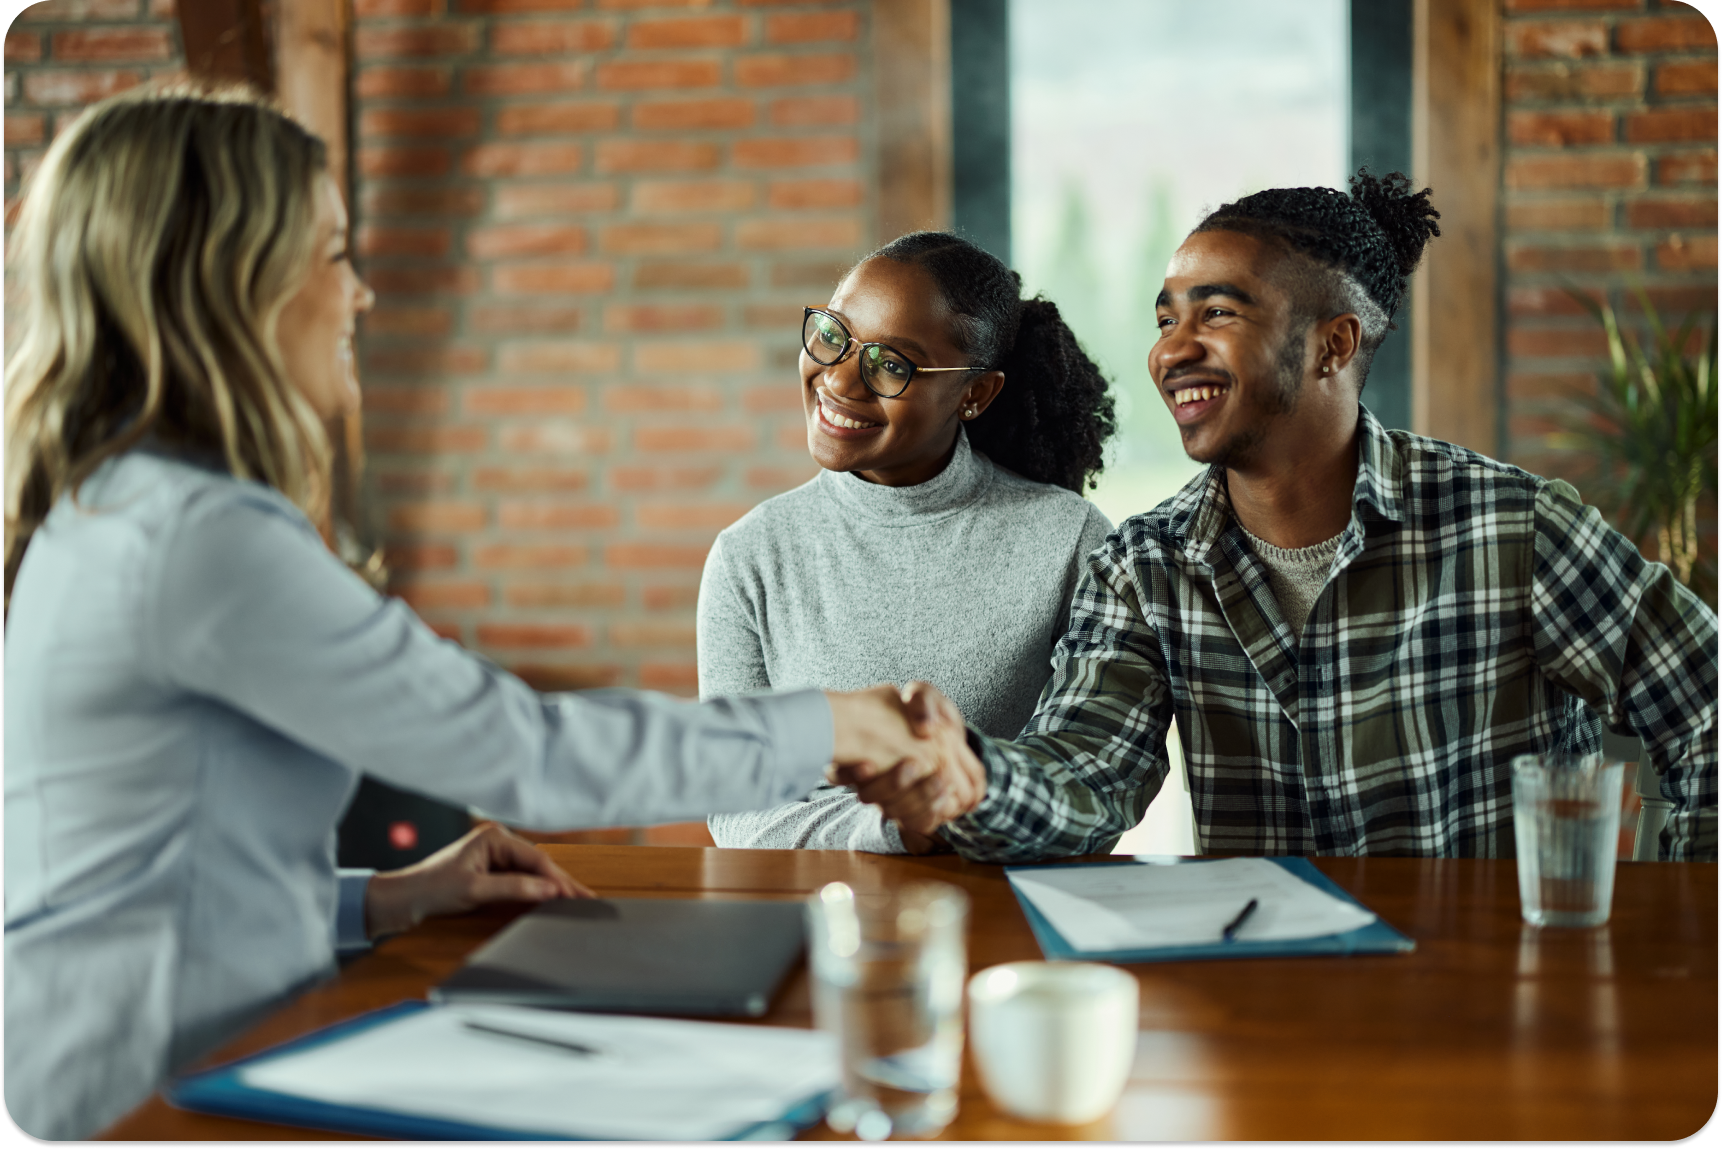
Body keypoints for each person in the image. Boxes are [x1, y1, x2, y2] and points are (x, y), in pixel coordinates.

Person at [1, 87, 950, 1140]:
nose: (359, 295)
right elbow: (524, 752)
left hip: (169, 1046)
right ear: (231, 282)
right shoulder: (200, 538)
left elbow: (145, 870)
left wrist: (380, 900)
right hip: (133, 1092)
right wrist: (832, 726)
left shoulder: (126, 505)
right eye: (332, 253)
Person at [842, 170, 1718, 863]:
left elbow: (1704, 704)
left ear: (1332, 344)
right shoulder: (1147, 566)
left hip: (1490, 1013)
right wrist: (971, 782)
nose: (1171, 348)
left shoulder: (1514, 530)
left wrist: (1676, 924)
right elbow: (1086, 773)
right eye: (1165, 317)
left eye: (1217, 311)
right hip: (1271, 1021)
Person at [698, 232, 1116, 853]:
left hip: (1004, 914)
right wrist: (899, 827)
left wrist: (954, 804)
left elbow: (1092, 790)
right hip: (816, 918)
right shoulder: (751, 557)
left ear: (975, 393)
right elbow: (735, 809)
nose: (839, 381)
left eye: (891, 363)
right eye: (834, 335)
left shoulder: (1070, 540)